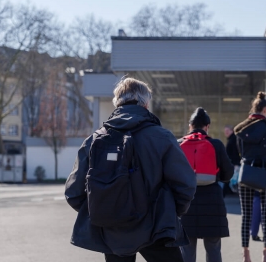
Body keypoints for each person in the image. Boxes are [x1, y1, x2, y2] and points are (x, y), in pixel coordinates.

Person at [64, 77, 197, 262]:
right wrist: (170, 212)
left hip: (112, 230)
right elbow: (185, 185)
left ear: (117, 102)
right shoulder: (162, 137)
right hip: (156, 226)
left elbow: (73, 192)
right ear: (146, 103)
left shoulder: (95, 139)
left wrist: (104, 210)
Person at [179, 107, 234, 262]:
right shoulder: (216, 145)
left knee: (187, 251)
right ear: (207, 127)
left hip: (186, 204)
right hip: (213, 204)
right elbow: (228, 173)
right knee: (213, 249)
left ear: (190, 125)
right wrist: (216, 176)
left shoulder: (178, 144)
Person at [234, 92, 266, 262]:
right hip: (265, 174)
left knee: (246, 215)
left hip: (246, 174)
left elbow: (239, 152)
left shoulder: (242, 128)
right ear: (265, 109)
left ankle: (246, 254)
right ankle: (265, 253)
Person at [224, 125, 241, 195]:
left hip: (233, 163)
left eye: (228, 131)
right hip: (232, 163)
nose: (226, 133)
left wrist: (236, 163)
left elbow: (235, 153)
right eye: (225, 131)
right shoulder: (232, 139)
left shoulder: (233, 140)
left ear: (232, 131)